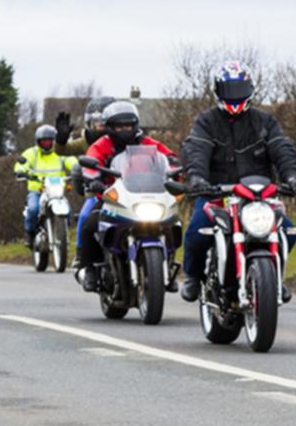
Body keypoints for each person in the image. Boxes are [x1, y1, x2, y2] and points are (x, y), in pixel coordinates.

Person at [179, 61, 296, 303]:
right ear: (218, 90)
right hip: (217, 193)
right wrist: (196, 177)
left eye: (240, 89)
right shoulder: (206, 121)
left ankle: (274, 279)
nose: (235, 96)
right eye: (230, 90)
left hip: (259, 196)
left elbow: (282, 148)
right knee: (197, 231)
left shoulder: (264, 121)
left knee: (288, 232)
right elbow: (196, 149)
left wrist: (293, 176)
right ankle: (193, 277)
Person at [76, 101, 176, 292]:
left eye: (128, 125)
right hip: (112, 197)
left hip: (147, 196)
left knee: (174, 222)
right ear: (110, 127)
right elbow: (90, 163)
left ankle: (167, 266)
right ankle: (89, 268)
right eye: (119, 126)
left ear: (135, 125)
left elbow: (168, 157)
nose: (125, 130)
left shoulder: (147, 143)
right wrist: (93, 180)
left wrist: (174, 166)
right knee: (89, 222)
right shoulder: (102, 145)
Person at [55, 96, 116, 269]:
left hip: (124, 192)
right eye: (97, 123)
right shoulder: (86, 141)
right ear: (89, 123)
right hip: (96, 192)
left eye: (104, 122)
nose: (101, 127)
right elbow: (61, 150)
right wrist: (61, 138)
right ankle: (82, 256)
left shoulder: (125, 138)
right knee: (85, 215)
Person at [13, 124, 75, 250]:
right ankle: (30, 234)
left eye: (50, 140)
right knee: (33, 209)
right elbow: (21, 163)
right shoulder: (31, 153)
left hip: (56, 191)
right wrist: (21, 170)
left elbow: (71, 161)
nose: (47, 143)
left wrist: (77, 169)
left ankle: (62, 232)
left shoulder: (60, 152)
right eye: (44, 141)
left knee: (68, 210)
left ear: (54, 141)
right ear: (38, 141)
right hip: (37, 190)